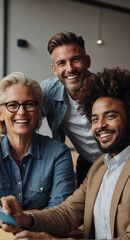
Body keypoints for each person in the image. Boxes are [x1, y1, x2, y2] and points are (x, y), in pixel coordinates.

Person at [1, 67, 130, 240]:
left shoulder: (58, 152)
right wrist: (25, 218)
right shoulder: (100, 166)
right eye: (94, 119)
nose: (100, 125)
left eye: (109, 116)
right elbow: (67, 213)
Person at [0, 72, 75, 211]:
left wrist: (22, 220)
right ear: (1, 114)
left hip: (43, 233)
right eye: (12, 105)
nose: (21, 112)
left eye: (29, 104)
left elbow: (59, 213)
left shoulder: (58, 153)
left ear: (38, 111)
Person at [41, 31, 102, 187]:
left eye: (75, 60)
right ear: (54, 69)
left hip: (120, 160)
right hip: (87, 165)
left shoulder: (107, 89)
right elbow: (25, 119)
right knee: (84, 211)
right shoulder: (47, 92)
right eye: (61, 63)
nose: (70, 68)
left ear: (87, 61)